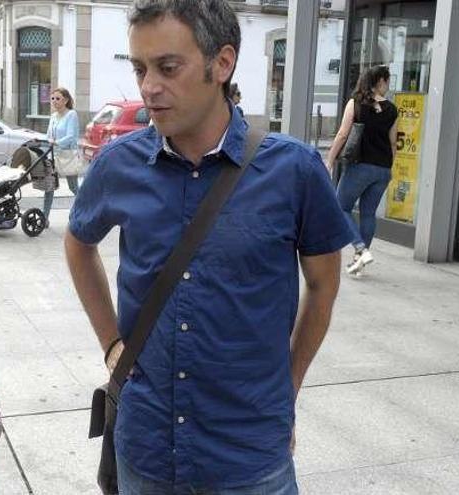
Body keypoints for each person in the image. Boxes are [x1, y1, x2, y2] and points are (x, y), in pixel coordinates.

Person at [64, 1, 352, 493]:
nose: (149, 86)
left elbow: (323, 286)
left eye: (168, 67)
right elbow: (78, 244)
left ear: (222, 64)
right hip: (146, 449)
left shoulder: (296, 170)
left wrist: (288, 388)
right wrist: (112, 343)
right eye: (140, 68)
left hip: (249, 457)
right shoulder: (118, 165)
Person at [326, 65, 398, 276]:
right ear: (380, 81)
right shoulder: (392, 109)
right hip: (383, 169)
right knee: (368, 214)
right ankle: (359, 261)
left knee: (341, 207)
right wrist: (388, 168)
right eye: (387, 81)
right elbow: (393, 143)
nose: (388, 86)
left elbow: (342, 134)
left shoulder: (356, 103)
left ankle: (360, 248)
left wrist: (329, 161)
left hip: (360, 166)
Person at [43, 87, 81, 223]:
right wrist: (47, 141)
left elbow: (71, 136)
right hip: (53, 156)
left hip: (67, 155)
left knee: (73, 187)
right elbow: (48, 135)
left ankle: (84, 210)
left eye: (57, 99)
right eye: (52, 98)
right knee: (49, 187)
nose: (54, 101)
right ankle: (44, 218)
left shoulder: (71, 115)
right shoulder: (53, 116)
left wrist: (56, 142)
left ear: (65, 100)